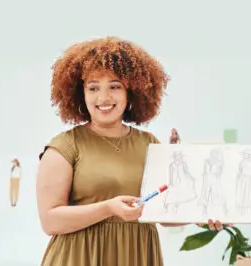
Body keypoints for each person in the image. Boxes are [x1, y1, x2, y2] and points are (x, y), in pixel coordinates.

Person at [36, 36, 224, 266]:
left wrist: (199, 217)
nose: (103, 98)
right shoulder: (64, 146)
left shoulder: (149, 144)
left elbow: (162, 213)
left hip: (137, 255)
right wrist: (107, 208)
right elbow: (50, 221)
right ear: (80, 93)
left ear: (131, 92)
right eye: (93, 87)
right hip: (80, 257)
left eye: (114, 86)